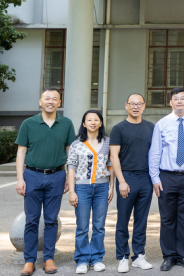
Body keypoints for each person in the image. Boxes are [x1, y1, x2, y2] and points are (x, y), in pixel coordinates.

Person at [15, 88, 77, 276]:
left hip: (56, 176)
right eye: (47, 98)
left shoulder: (66, 123)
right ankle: (29, 261)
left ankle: (49, 258)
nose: (50, 101)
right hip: (32, 175)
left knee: (51, 220)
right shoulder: (28, 123)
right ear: (40, 102)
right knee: (31, 220)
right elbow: (21, 152)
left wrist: (69, 177)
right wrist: (20, 179)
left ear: (59, 103)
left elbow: (70, 152)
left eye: (54, 99)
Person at [148, 87, 184, 271]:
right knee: (167, 218)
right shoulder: (162, 124)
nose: (179, 101)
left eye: (183, 98)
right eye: (176, 98)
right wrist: (155, 178)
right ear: (170, 102)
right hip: (166, 176)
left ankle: (182, 255)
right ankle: (168, 255)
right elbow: (155, 152)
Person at [110, 94, 155, 273]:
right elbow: (114, 156)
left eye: (139, 104)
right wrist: (121, 181)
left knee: (141, 220)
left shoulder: (151, 127)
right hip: (127, 177)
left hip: (146, 178)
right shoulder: (118, 128)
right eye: (132, 104)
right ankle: (122, 257)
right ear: (126, 106)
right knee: (123, 219)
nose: (135, 107)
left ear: (144, 106)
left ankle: (139, 256)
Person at [67, 110, 115, 274]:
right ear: (84, 123)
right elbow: (71, 168)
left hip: (102, 187)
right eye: (89, 120)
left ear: (100, 123)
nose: (93, 122)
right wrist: (72, 191)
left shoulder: (108, 142)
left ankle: (96, 258)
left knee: (99, 226)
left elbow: (111, 165)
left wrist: (111, 186)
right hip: (82, 188)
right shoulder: (76, 144)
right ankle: (82, 259)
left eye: (96, 120)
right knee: (82, 226)